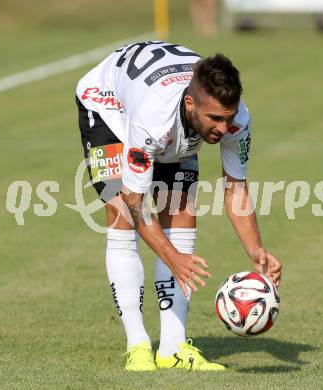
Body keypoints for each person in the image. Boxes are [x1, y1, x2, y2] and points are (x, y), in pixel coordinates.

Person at [75, 41, 282, 371]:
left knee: (182, 210)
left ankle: (172, 348)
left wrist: (256, 251)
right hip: (108, 105)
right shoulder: (152, 120)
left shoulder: (236, 120)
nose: (222, 129)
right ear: (190, 105)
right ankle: (138, 345)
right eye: (214, 119)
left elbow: (235, 188)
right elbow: (136, 202)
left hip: (168, 113)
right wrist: (173, 257)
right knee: (122, 216)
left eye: (227, 119)